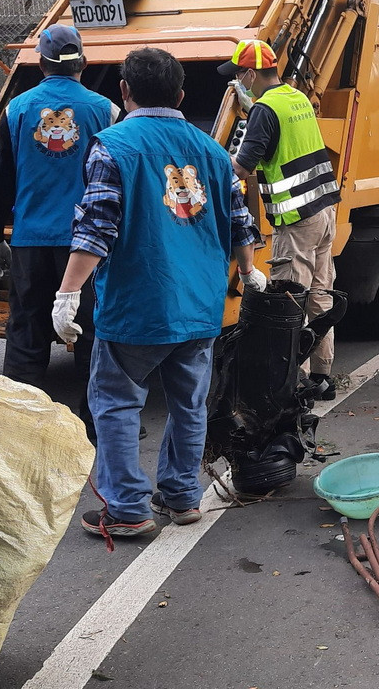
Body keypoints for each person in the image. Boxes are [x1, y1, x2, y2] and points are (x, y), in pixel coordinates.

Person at [54, 47, 265, 538]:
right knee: (189, 403)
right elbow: (239, 222)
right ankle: (182, 496)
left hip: (138, 307)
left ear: (124, 90)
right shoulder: (213, 150)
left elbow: (96, 229)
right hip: (200, 306)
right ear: (182, 94)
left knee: (115, 402)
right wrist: (250, 272)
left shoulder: (113, 146)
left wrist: (67, 295)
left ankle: (128, 508)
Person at [0, 25, 116, 439]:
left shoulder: (16, 110)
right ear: (84, 63)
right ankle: (95, 419)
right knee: (94, 328)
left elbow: (0, 179)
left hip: (31, 240)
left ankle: (23, 422)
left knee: (26, 329)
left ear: (40, 63)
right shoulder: (107, 110)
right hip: (87, 245)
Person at [223, 39, 341, 399]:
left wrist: (209, 160)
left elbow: (242, 167)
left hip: (296, 220)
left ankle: (296, 383)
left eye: (239, 75)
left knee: (290, 302)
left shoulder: (265, 110)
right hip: (324, 209)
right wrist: (253, 108)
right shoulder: (295, 97)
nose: (238, 81)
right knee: (320, 294)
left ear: (249, 73)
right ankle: (322, 377)